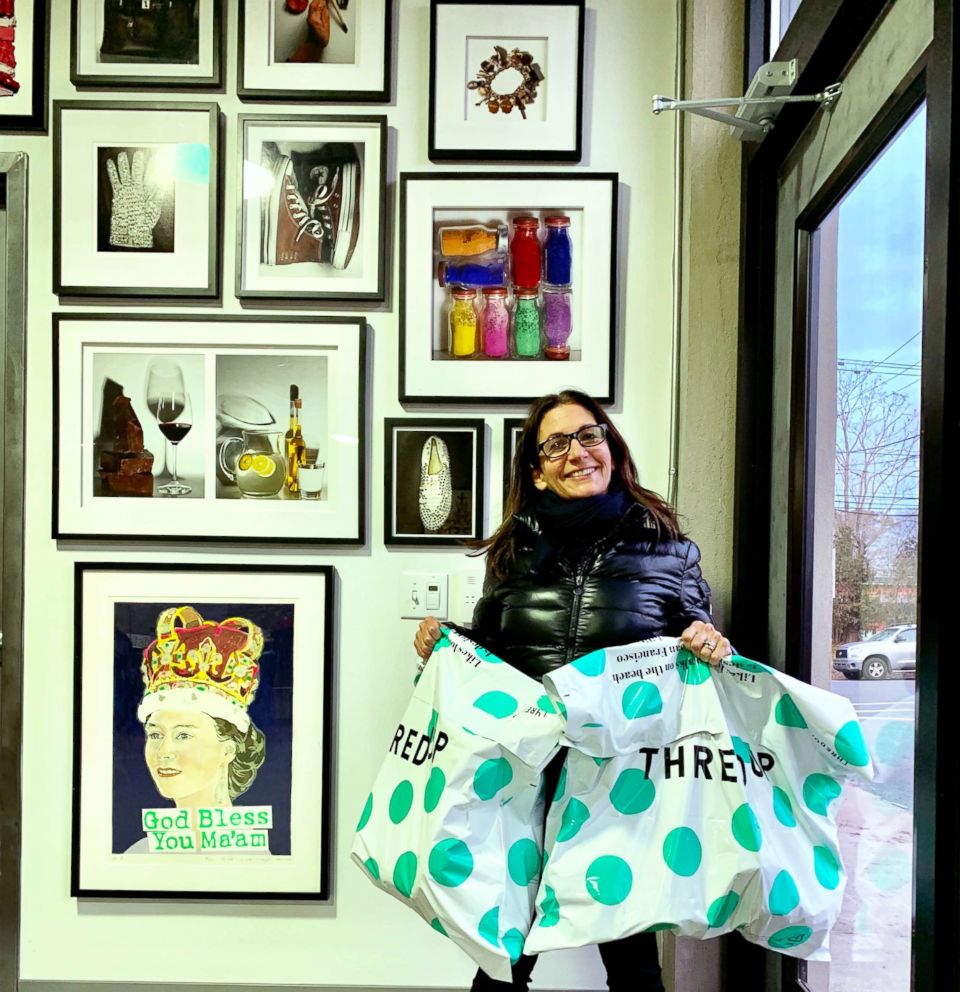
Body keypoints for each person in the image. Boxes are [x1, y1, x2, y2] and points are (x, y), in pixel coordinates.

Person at [414, 389, 732, 992]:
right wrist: (445, 640)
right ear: (535, 470)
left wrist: (711, 644)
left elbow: (700, 654)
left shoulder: (671, 552)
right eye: (555, 444)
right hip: (524, 773)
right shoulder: (510, 552)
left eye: (588, 435)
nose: (576, 453)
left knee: (631, 955)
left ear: (611, 446)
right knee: (505, 948)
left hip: (619, 782)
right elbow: (491, 650)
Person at [126, 606, 269, 854]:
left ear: (228, 750)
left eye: (183, 735)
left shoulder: (252, 857)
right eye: (156, 734)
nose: (164, 751)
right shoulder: (139, 854)